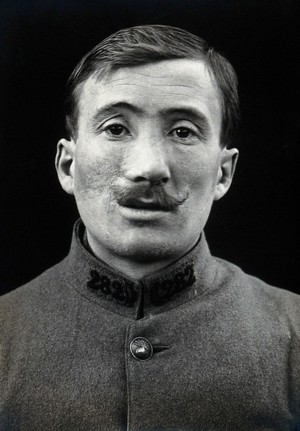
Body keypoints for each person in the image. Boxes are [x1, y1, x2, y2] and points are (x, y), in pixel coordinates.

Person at [0, 24, 299, 431]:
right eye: (116, 129)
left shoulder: (293, 333)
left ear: (223, 173)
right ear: (68, 165)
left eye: (182, 132)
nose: (150, 168)